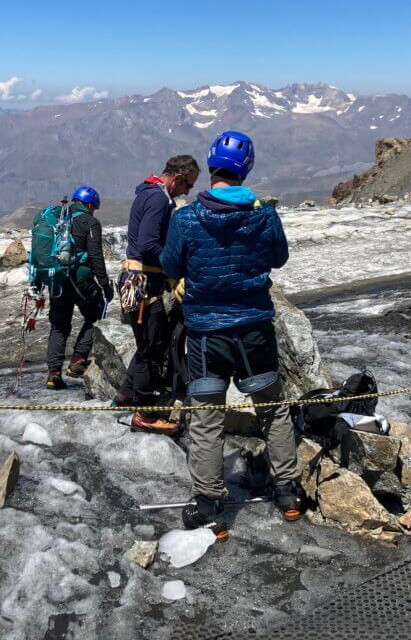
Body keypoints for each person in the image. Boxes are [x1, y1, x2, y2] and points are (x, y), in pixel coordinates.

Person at [160, 131, 302, 539]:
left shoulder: (186, 218)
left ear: (211, 167)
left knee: (206, 419)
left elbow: (171, 263)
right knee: (272, 409)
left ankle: (209, 506)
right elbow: (279, 257)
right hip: (255, 330)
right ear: (247, 168)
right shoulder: (264, 215)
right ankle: (288, 493)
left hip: (206, 334)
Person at [116, 154, 201, 434]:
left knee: (149, 342)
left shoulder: (150, 194)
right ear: (177, 177)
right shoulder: (158, 199)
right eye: (188, 184)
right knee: (154, 346)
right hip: (143, 283)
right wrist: (172, 270)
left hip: (138, 280)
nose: (188, 191)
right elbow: (149, 244)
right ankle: (145, 414)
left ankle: (127, 394)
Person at [43, 185, 113, 390]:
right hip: (79, 279)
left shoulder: (57, 219)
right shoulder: (90, 222)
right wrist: (104, 283)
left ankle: (53, 375)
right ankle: (77, 361)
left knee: (59, 326)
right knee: (97, 312)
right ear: (89, 205)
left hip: (57, 280)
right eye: (94, 208)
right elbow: (96, 256)